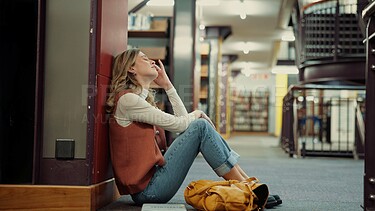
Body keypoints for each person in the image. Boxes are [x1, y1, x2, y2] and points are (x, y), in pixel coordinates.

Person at [106, 48, 281, 208]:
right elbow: (180, 124)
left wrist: (168, 86)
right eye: (144, 59)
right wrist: (197, 113)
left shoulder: (140, 101)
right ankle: (248, 187)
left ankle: (249, 186)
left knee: (199, 125)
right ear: (131, 69)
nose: (152, 61)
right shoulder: (128, 100)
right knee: (200, 126)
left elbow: (183, 125)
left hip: (154, 181)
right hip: (149, 191)